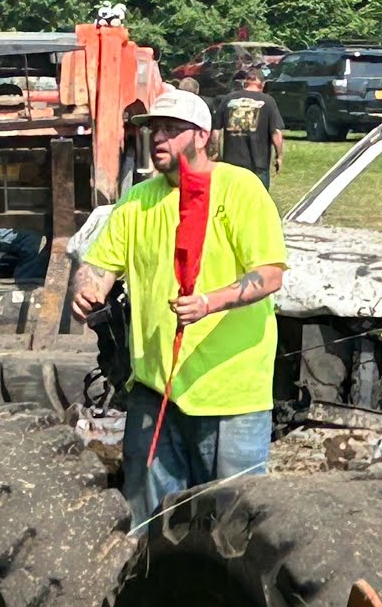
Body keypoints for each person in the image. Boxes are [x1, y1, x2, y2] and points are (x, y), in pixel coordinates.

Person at [70, 89, 287, 523]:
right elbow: (98, 264)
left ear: (202, 136)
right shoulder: (138, 199)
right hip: (156, 390)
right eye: (154, 130)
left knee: (232, 525)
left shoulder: (240, 188)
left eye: (172, 129)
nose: (158, 139)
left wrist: (210, 302)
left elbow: (270, 273)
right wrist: (85, 286)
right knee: (148, 520)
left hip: (230, 394)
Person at [210, 69, 284, 189]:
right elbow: (276, 133)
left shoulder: (228, 99)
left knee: (233, 202)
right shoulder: (268, 101)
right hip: (258, 164)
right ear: (263, 84)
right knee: (259, 203)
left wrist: (216, 152)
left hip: (232, 164)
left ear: (245, 83)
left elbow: (215, 132)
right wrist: (279, 156)